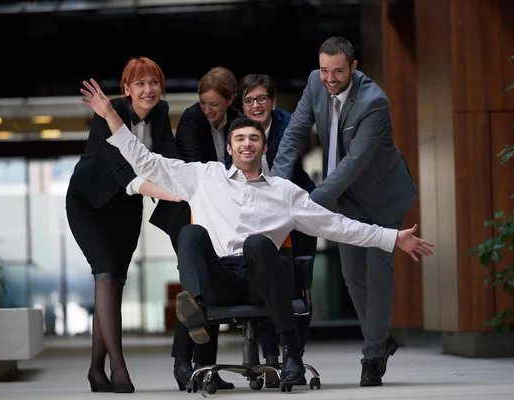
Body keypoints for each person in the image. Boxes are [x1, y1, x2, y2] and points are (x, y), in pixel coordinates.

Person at [79, 77, 434, 385]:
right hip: (219, 276)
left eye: (253, 138)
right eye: (240, 139)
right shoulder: (204, 177)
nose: (247, 144)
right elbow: (145, 161)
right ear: (229, 148)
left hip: (263, 276)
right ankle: (198, 310)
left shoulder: (286, 192)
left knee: (259, 244)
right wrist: (111, 114)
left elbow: (338, 226)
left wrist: (392, 237)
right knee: (191, 234)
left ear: (263, 146)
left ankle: (290, 355)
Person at [270, 36, 419, 386]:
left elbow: (353, 163)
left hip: (382, 195)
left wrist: (311, 204)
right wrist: (274, 187)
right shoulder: (313, 82)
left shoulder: (374, 101)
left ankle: (372, 358)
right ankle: (380, 338)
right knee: (352, 275)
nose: (329, 78)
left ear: (353, 67)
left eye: (338, 71)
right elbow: (294, 133)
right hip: (347, 198)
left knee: (377, 273)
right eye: (324, 70)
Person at [65, 58, 182, 394]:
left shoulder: (160, 112)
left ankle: (95, 371)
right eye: (140, 84)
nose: (149, 90)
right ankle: (118, 366)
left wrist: (189, 180)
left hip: (127, 207)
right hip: (89, 203)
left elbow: (169, 156)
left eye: (154, 83)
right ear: (127, 90)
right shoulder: (108, 112)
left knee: (115, 281)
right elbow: (123, 173)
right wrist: (167, 194)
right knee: (104, 274)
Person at [236, 73, 316, 388]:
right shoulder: (240, 132)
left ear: (273, 101)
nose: (256, 105)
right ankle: (270, 359)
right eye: (249, 100)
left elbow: (283, 168)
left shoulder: (289, 124)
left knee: (299, 284)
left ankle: (294, 354)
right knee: (268, 282)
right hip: (261, 217)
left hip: (296, 210)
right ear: (241, 105)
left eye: (262, 98)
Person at [169, 66, 241, 391]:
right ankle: (183, 363)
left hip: (224, 216)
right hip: (190, 213)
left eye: (214, 104)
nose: (208, 110)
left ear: (230, 100)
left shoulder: (238, 120)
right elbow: (191, 168)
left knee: (210, 285)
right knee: (194, 288)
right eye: (203, 103)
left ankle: (206, 368)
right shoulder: (191, 120)